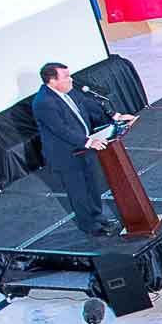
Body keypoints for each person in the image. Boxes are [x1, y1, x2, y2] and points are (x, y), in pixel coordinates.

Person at [32, 61, 130, 235]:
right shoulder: (44, 102)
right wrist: (88, 142)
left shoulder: (69, 92)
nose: (71, 80)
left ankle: (99, 218)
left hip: (82, 149)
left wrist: (115, 115)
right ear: (52, 81)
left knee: (92, 187)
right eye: (66, 77)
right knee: (79, 192)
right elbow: (60, 129)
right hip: (66, 155)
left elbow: (88, 104)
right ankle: (92, 227)